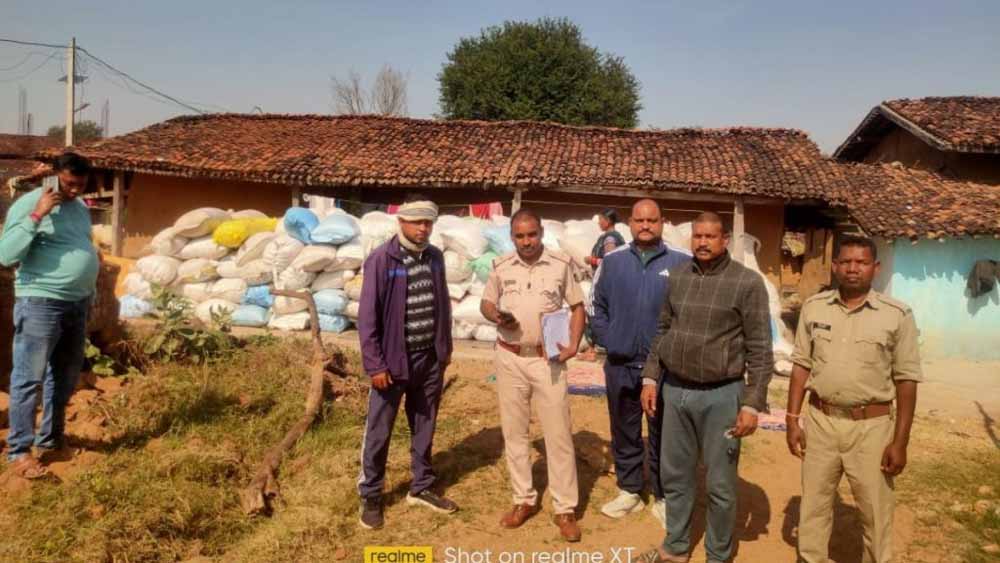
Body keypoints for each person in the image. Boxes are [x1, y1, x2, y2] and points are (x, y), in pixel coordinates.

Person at [639, 211, 774, 563]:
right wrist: (651, 377)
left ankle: (718, 553)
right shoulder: (678, 276)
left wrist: (751, 403)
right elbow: (663, 330)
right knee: (675, 475)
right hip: (676, 391)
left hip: (722, 395)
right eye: (697, 236)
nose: (702, 242)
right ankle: (676, 546)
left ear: (724, 240)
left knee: (720, 484)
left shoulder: (746, 282)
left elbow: (761, 348)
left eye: (710, 237)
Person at [786, 235, 921, 563]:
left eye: (861, 262)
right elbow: (801, 365)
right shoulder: (814, 308)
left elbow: (906, 380)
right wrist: (792, 420)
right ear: (834, 266)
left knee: (875, 511)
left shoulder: (897, 315)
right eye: (845, 262)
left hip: (871, 428)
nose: (852, 268)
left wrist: (900, 442)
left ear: (876, 268)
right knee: (814, 507)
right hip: (821, 422)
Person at [480, 209, 587, 542]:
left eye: (532, 235)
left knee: (558, 434)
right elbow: (486, 303)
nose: (526, 242)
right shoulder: (501, 266)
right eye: (520, 236)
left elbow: (577, 306)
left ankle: (565, 508)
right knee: (515, 432)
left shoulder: (560, 264)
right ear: (512, 237)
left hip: (547, 360)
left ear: (541, 232)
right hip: (510, 358)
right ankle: (523, 499)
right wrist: (496, 315)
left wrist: (573, 344)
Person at [356, 196, 457, 530]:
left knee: (425, 423)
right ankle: (371, 494)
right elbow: (367, 317)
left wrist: (444, 349)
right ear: (401, 222)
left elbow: (442, 304)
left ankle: (421, 485)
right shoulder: (382, 260)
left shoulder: (435, 258)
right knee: (379, 430)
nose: (423, 228)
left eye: (428, 222)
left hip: (429, 359)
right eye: (416, 222)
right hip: (392, 361)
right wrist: (375, 365)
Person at [590, 199, 689, 527]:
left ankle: (663, 495)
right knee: (624, 429)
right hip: (620, 363)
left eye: (652, 220)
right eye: (639, 220)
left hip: (662, 368)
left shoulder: (681, 261)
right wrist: (611, 339)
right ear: (629, 223)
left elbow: (687, 313)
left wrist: (670, 352)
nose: (645, 225)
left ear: (663, 222)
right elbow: (596, 305)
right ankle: (630, 489)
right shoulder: (612, 260)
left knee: (663, 433)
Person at [0, 152, 99, 479]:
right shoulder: (29, 204)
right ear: (53, 176)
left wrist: (90, 290)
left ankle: (52, 439)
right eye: (69, 183)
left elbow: (82, 246)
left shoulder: (80, 207)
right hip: (41, 302)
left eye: (81, 185)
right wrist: (38, 214)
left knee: (66, 375)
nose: (75, 190)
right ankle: (19, 451)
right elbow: (6, 254)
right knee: (29, 378)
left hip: (77, 303)